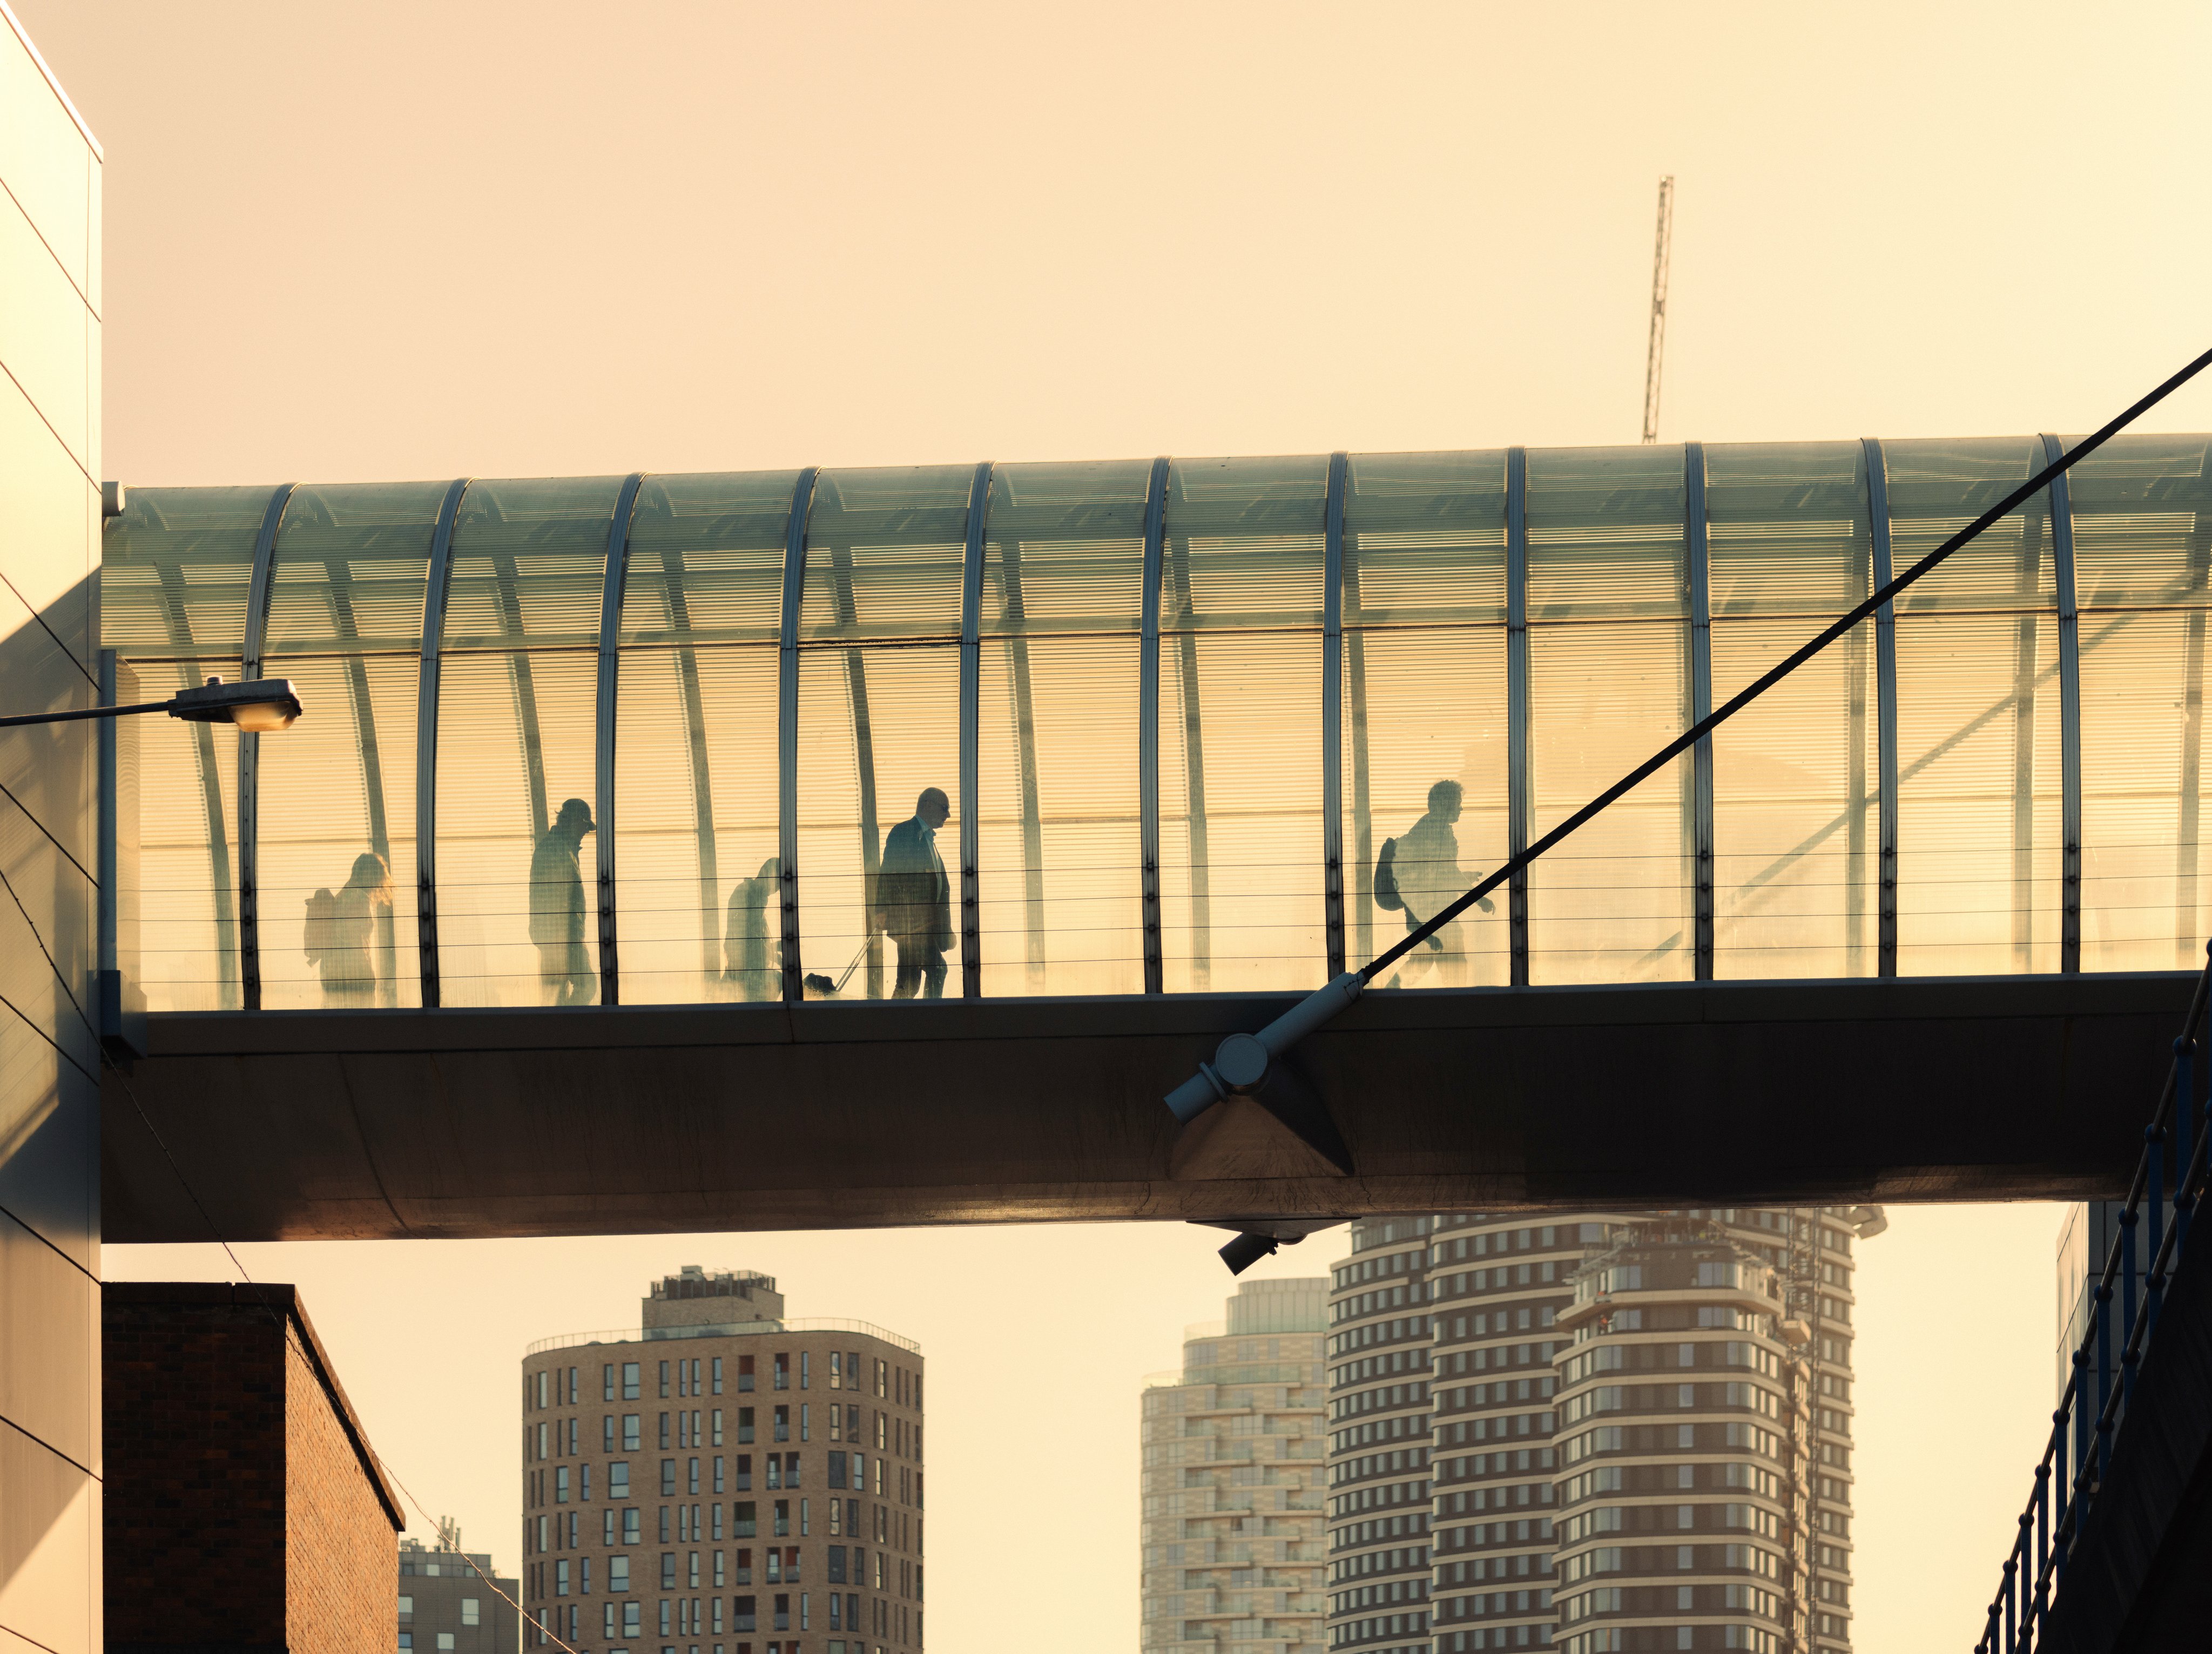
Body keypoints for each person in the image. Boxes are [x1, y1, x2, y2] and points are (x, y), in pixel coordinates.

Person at [875, 787, 953, 998]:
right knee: (925, 975)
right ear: (927, 805)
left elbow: (939, 889)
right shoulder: (905, 832)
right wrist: (882, 911)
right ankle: (922, 1021)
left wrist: (946, 928)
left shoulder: (927, 840)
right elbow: (889, 872)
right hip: (911, 925)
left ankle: (909, 1021)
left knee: (911, 981)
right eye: (944, 808)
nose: (948, 815)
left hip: (920, 926)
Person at [1397, 778, 1472, 986]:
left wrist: (1464, 876)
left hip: (1428, 912)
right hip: (1434, 913)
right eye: (1457, 803)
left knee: (1421, 964)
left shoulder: (1430, 828)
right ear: (1443, 804)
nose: (1461, 808)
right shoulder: (1434, 831)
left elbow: (1438, 870)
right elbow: (1446, 870)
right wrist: (1479, 898)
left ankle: (1387, 996)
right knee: (1454, 968)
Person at [530, 797, 597, 1005]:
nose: (586, 832)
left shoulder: (558, 848)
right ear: (575, 821)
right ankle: (569, 1032)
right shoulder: (559, 850)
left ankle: (562, 1032)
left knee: (556, 997)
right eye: (585, 825)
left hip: (556, 937)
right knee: (587, 985)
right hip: (563, 938)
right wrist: (571, 940)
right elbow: (557, 900)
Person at [306, 851, 392, 1007]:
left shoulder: (342, 896)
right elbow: (356, 943)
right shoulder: (358, 897)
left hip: (331, 971)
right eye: (379, 876)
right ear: (369, 874)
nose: (380, 883)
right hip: (352, 975)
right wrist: (367, 976)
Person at [724, 854, 781, 1001]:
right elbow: (746, 939)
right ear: (766, 875)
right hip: (746, 974)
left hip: (746, 972)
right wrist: (772, 952)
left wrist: (772, 949)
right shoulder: (749, 894)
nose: (775, 891)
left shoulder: (751, 893)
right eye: (776, 885)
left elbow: (751, 937)